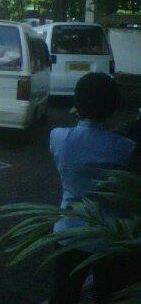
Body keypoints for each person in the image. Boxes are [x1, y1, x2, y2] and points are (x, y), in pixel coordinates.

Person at [49, 72, 138, 304]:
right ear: (114, 107)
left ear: (77, 105)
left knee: (63, 295)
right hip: (110, 235)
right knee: (107, 295)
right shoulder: (126, 148)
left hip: (69, 230)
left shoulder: (58, 137)